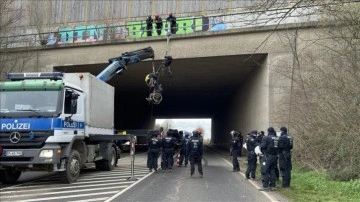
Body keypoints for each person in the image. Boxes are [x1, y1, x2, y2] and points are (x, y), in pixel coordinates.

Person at [259, 127, 279, 191]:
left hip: (267, 156)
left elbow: (262, 146)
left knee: (265, 170)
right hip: (275, 156)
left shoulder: (266, 138)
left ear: (268, 131)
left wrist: (260, 148)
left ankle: (265, 186)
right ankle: (273, 186)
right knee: (272, 170)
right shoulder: (277, 138)